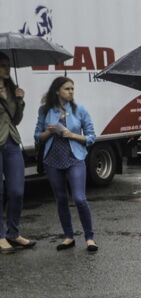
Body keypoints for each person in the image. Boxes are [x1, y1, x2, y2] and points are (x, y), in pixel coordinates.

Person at [34, 76, 98, 252]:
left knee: (79, 198)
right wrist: (49, 131)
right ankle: (68, 236)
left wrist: (72, 135)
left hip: (74, 159)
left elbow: (92, 137)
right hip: (52, 160)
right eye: (67, 89)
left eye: (72, 89)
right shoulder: (45, 110)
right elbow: (37, 137)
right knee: (61, 199)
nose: (71, 92)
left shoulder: (80, 110)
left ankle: (89, 238)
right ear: (57, 91)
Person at [0, 52, 35, 254]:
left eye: (8, 65)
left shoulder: (13, 90)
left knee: (16, 191)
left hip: (12, 141)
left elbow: (17, 119)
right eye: (3, 65)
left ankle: (13, 232)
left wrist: (20, 101)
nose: (7, 69)